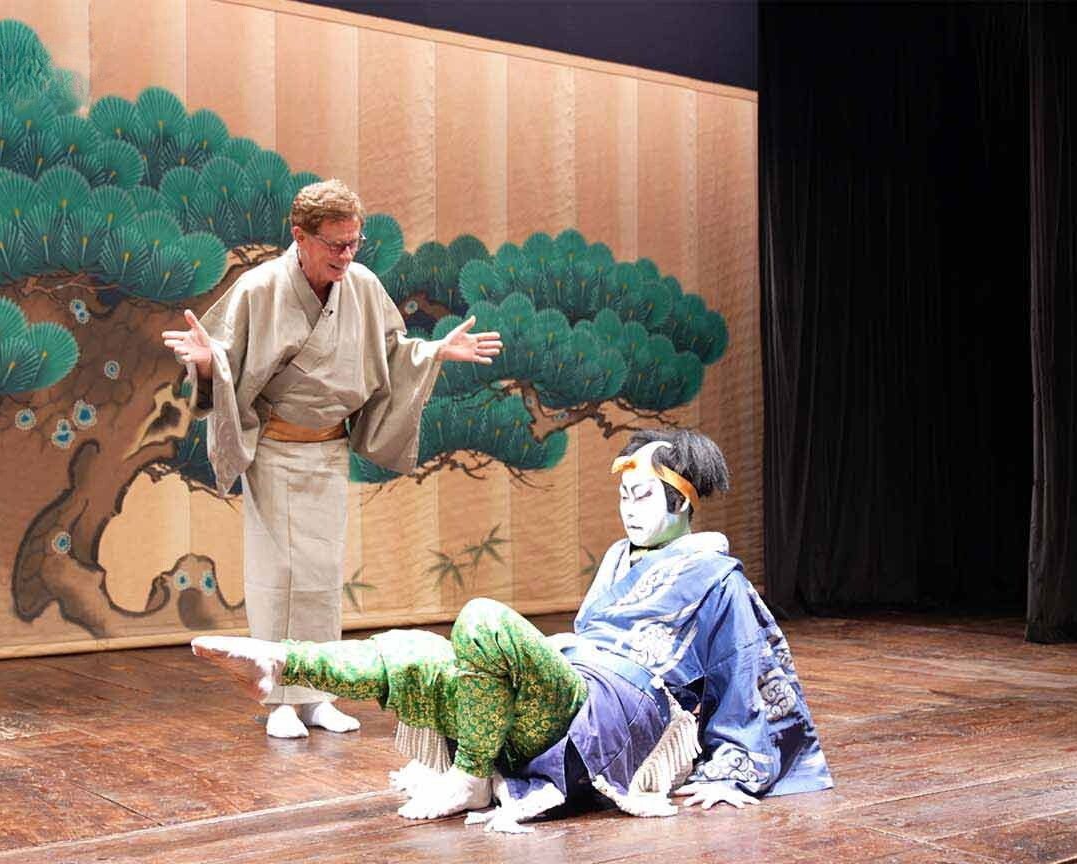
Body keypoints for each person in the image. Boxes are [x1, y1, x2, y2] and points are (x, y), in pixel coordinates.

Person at [192, 429, 833, 830]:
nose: (628, 510)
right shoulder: (619, 558)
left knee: (483, 620)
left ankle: (472, 775)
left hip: (617, 712)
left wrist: (732, 769)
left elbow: (748, 670)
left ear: (682, 500)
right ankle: (283, 663)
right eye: (623, 496)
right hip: (574, 690)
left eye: (642, 497)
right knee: (420, 653)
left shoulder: (717, 577)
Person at [161, 179, 501, 739]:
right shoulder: (261, 287)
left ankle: (318, 694)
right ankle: (280, 701)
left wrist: (435, 352)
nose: (346, 255)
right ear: (300, 236)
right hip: (275, 450)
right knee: (278, 576)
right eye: (336, 245)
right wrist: (203, 364)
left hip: (327, 449)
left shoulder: (361, 284)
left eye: (354, 244)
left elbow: (391, 352)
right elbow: (222, 359)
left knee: (320, 579)